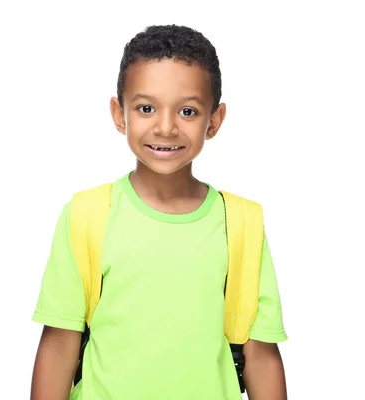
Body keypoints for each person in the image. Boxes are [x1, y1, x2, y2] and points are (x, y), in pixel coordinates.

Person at [30, 24, 288, 400]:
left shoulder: (242, 223)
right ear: (120, 114)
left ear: (213, 121)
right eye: (146, 108)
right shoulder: (86, 215)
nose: (165, 128)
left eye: (187, 111)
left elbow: (261, 354)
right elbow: (59, 345)